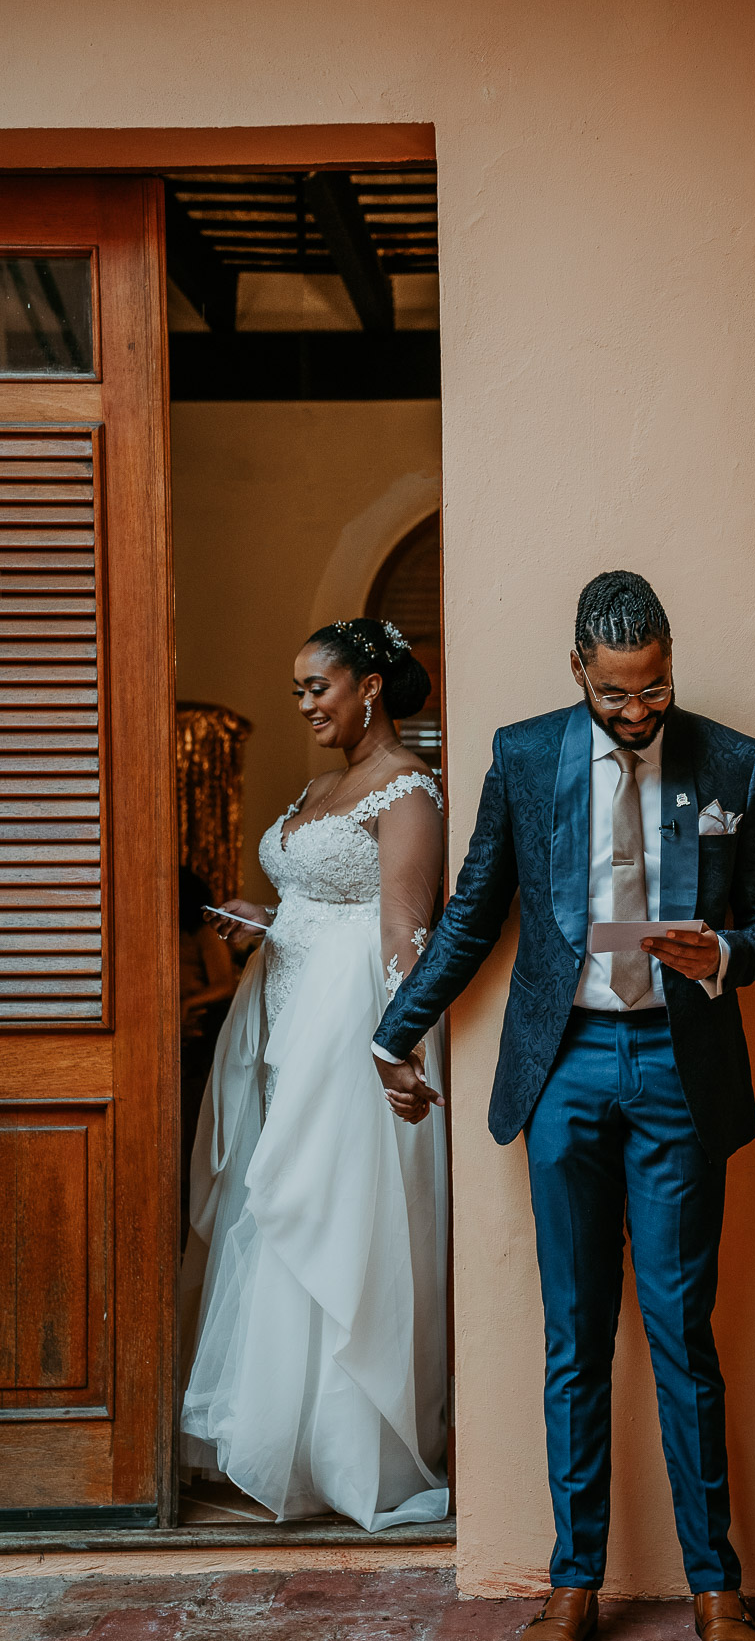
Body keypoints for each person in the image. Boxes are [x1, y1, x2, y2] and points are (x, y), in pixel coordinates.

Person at [373, 571, 755, 1641]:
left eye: (656, 688)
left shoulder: (733, 761)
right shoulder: (522, 757)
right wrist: (394, 1031)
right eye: (618, 695)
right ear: (578, 672)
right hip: (563, 1069)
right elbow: (473, 914)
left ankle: (716, 1589)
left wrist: (728, 955)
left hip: (676, 1068)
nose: (641, 712)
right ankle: (574, 1584)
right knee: (574, 1336)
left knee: (679, 1331)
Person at [179, 617, 449, 1533]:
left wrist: (397, 1047)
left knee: (327, 1215)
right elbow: (316, 906)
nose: (304, 705)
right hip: (281, 1020)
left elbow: (407, 931)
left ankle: (344, 1447)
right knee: (272, 1208)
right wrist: (268, 920)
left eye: (315, 688)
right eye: (297, 691)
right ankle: (274, 1433)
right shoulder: (321, 786)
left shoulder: (409, 792)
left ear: (368, 685)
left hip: (350, 1035)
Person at [178, 864, 237, 1249]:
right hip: (164, 1038)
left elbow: (225, 984)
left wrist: (184, 1005)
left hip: (195, 1043)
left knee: (189, 1124)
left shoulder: (202, 933)